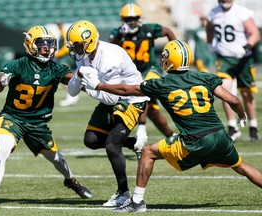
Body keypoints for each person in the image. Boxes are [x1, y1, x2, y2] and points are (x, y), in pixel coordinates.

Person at [81, 39, 262, 213]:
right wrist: (242, 115)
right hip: (220, 135)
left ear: (170, 59)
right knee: (241, 167)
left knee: (147, 152)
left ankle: (137, 202)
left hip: (195, 139)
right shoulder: (205, 77)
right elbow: (233, 99)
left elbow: (126, 90)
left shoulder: (162, 83)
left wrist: (100, 85)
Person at [0, 25, 93, 211]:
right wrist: (2, 81)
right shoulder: (18, 64)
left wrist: (84, 79)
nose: (47, 48)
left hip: (38, 123)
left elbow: (72, 81)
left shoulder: (55, 68)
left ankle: (71, 182)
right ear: (30, 44)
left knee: (56, 158)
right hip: (13, 117)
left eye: (50, 44)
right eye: (42, 44)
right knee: (4, 148)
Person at [65, 20, 149, 207]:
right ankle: (134, 143)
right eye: (74, 46)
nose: (76, 50)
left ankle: (124, 193)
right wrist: (79, 76)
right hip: (109, 97)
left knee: (112, 146)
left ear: (90, 41)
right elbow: (72, 91)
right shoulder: (84, 55)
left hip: (130, 99)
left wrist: (89, 86)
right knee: (91, 140)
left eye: (78, 45)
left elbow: (111, 97)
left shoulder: (110, 57)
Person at [109, 3, 176, 146]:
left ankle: (141, 129)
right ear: (123, 20)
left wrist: (175, 52)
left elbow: (168, 32)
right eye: (128, 19)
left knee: (142, 90)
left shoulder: (148, 29)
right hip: (130, 75)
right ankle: (172, 137)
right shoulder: (118, 33)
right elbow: (110, 46)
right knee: (152, 111)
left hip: (150, 70)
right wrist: (121, 34)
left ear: (139, 18)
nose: (131, 22)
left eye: (134, 18)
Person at [206, 0, 260, 142]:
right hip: (224, 58)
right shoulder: (213, 12)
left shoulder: (242, 12)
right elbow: (209, 27)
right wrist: (210, 43)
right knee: (224, 90)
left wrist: (247, 46)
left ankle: (253, 125)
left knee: (246, 92)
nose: (225, 1)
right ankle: (232, 127)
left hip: (243, 58)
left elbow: (254, 33)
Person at [53, 20, 80, 107]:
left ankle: (71, 96)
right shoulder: (62, 32)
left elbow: (66, 47)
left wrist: (57, 54)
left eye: (59, 24)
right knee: (66, 76)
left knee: (64, 76)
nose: (58, 26)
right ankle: (71, 95)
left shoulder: (64, 31)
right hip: (66, 57)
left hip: (66, 57)